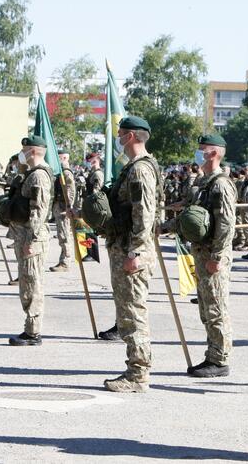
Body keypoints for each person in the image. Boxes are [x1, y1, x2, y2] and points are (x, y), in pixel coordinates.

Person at [99, 116, 160, 392]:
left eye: (121, 134)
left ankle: (138, 375)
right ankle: (135, 368)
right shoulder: (133, 168)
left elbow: (144, 214)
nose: (118, 139)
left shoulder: (140, 170)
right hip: (125, 247)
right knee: (128, 313)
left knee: (134, 313)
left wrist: (135, 251)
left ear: (133, 136)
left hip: (133, 251)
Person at [186, 133, 237, 378]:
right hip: (203, 253)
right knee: (206, 309)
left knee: (216, 308)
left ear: (214, 153)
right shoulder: (205, 182)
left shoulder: (220, 184)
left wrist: (217, 256)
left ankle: (220, 359)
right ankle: (212, 354)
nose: (198, 153)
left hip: (213, 257)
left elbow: (226, 223)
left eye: (202, 149)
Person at [9, 135, 53, 346]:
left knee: (32, 284)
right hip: (25, 235)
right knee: (26, 283)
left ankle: (33, 332)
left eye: (25, 150)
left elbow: (39, 210)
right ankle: (30, 328)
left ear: (33, 151)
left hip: (32, 237)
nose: (22, 154)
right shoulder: (30, 174)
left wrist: (32, 239)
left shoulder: (39, 177)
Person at [50, 149, 76, 272]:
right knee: (62, 235)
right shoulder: (59, 172)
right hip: (58, 206)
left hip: (63, 207)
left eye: (58, 158)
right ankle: (63, 259)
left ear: (64, 158)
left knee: (64, 235)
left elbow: (71, 190)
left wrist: (69, 206)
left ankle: (65, 261)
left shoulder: (66, 172)